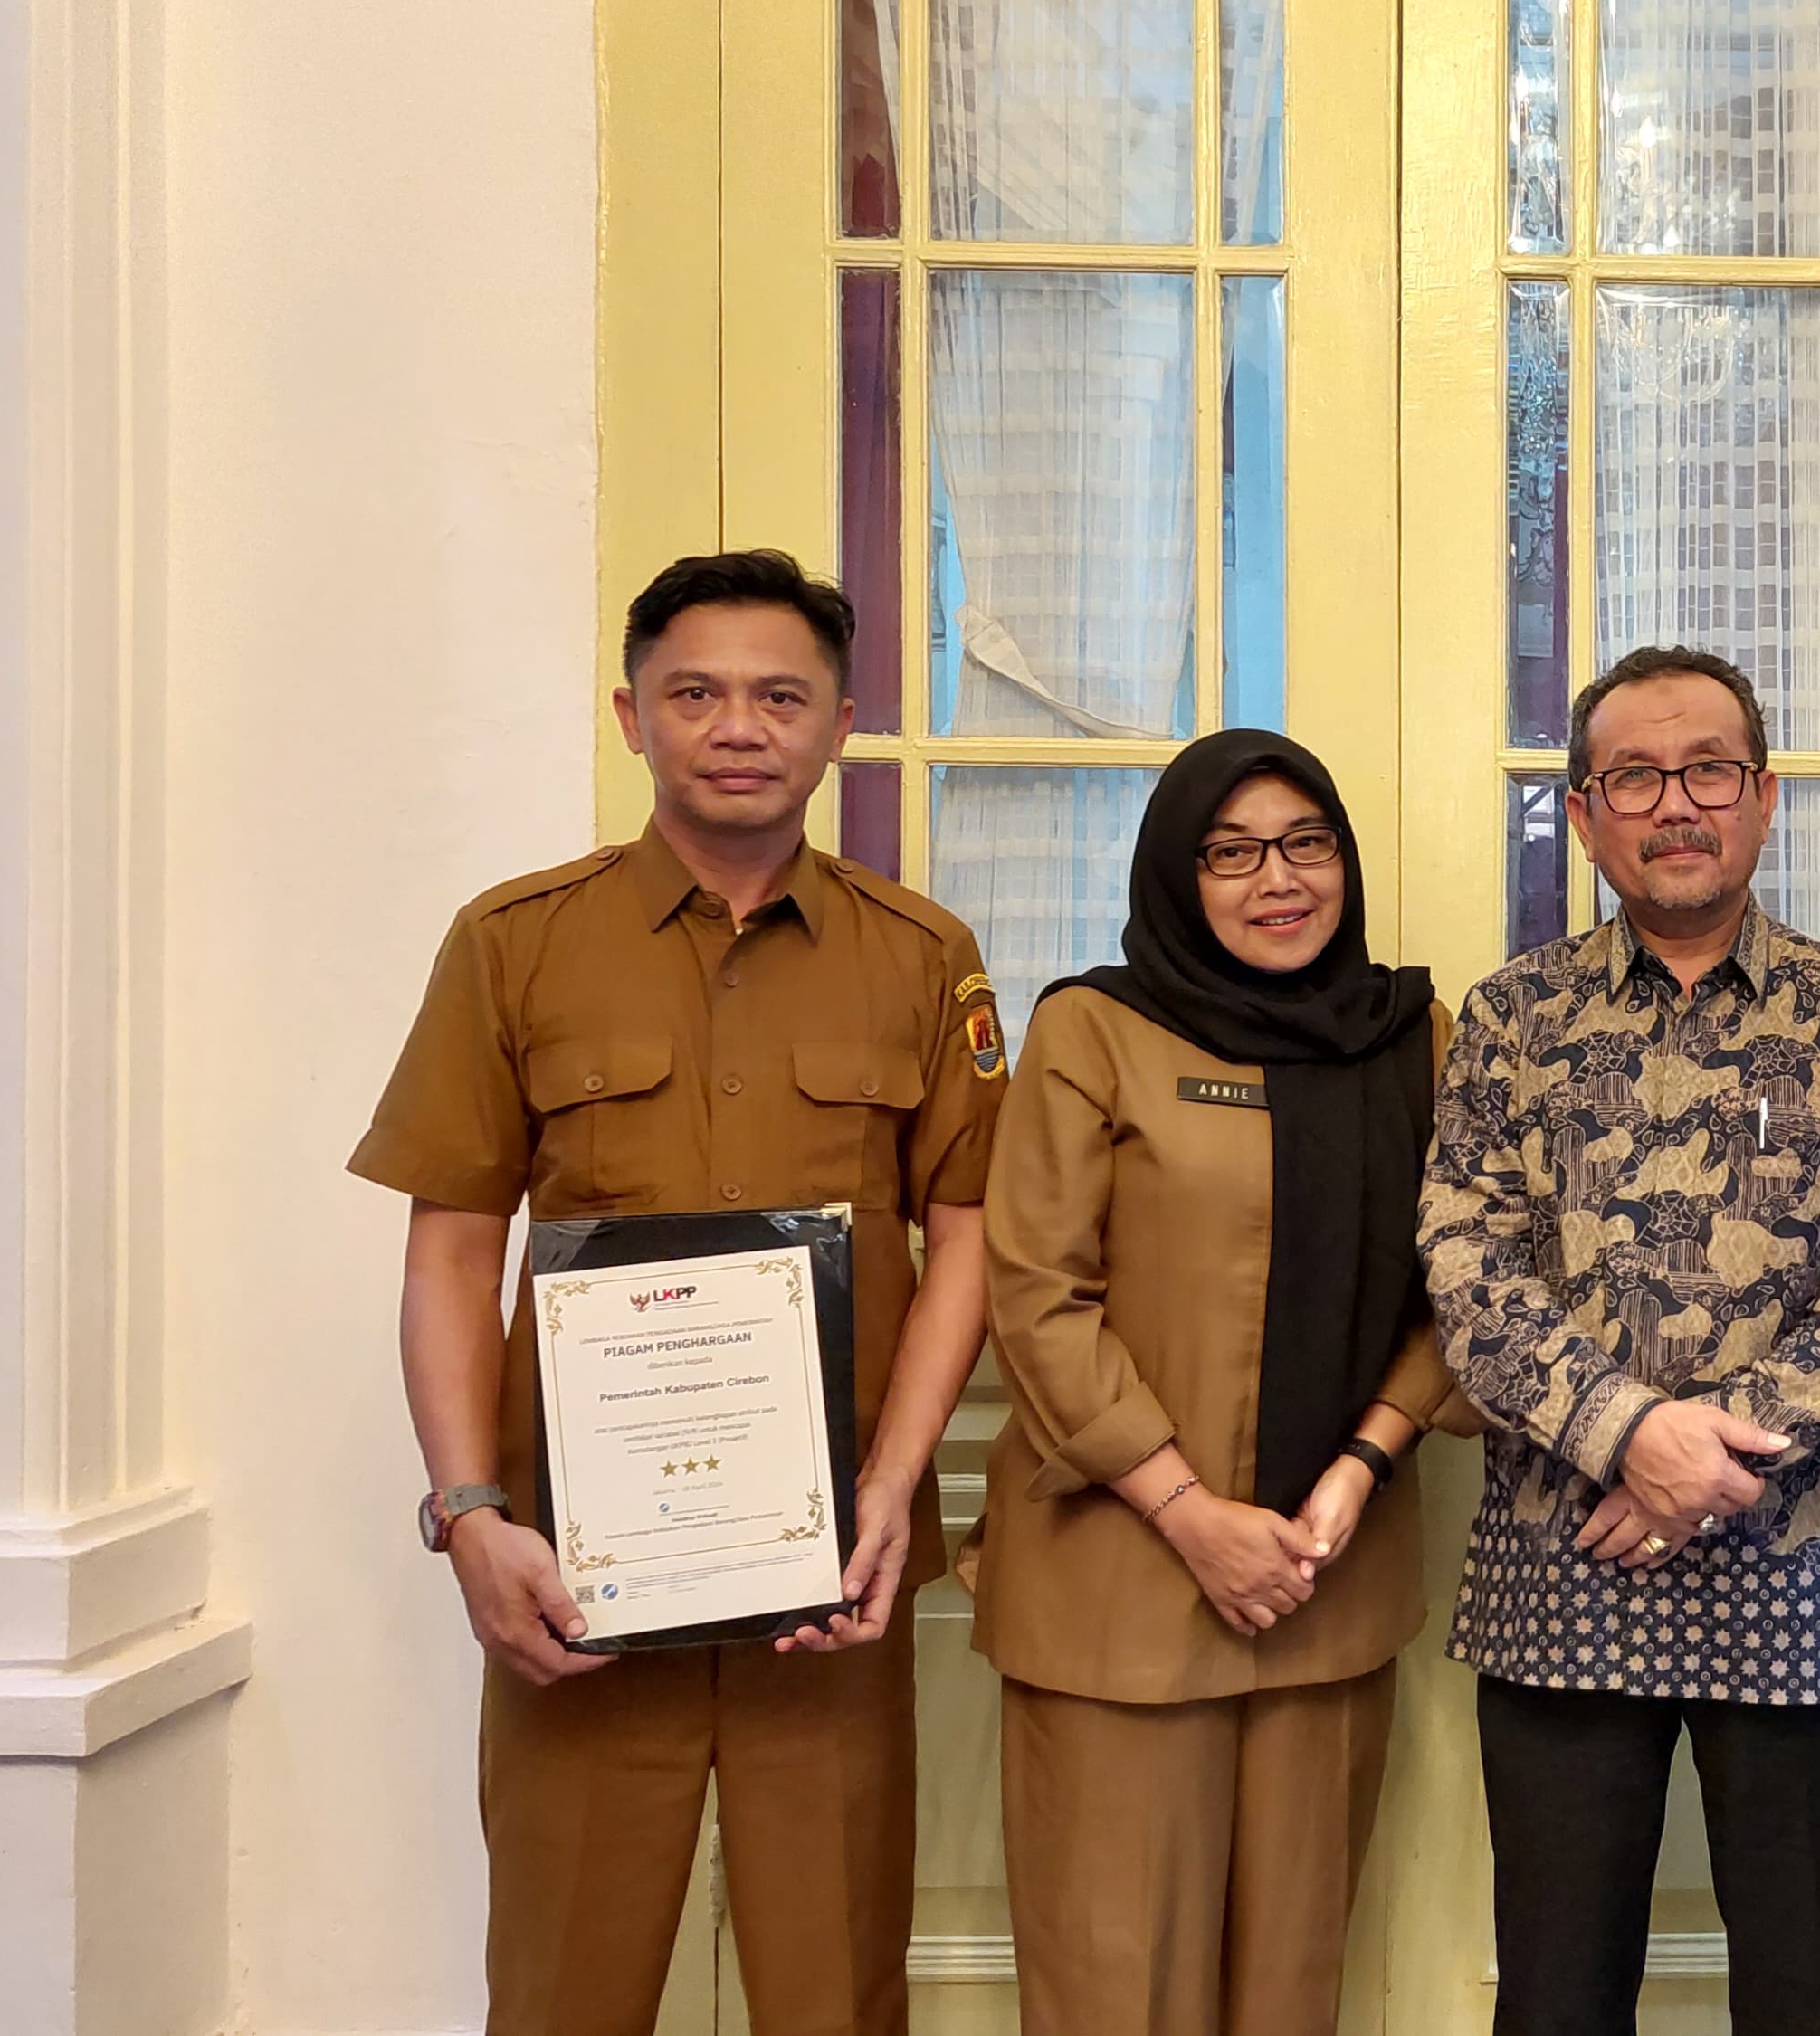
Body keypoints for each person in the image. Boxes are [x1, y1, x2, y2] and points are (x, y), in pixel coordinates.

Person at [351, 550, 1004, 2036]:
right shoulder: (516, 942)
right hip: (576, 1587)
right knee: (565, 1989)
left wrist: (895, 1486)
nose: (738, 724)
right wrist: (468, 1517)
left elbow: (964, 1227)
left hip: (823, 1589)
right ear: (630, 715)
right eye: (694, 691)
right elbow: (452, 1241)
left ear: (844, 721)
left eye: (782, 694)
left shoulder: (924, 958)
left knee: (834, 1993)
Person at [1420, 645, 1820, 2036]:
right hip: (1565, 1557)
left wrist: (1710, 1460)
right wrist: (1625, 1436)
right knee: (1557, 1989)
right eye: (1635, 777)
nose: (1676, 805)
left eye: (1707, 769)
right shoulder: (1509, 1019)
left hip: (1796, 1565)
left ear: (1765, 797)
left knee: (1807, 1992)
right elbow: (1467, 1269)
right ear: (1585, 813)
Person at [970, 730, 1468, 2036]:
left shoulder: (1413, 1033)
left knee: (1289, 1992)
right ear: (1178, 874)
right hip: (1121, 1590)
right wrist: (1192, 1511)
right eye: (1233, 851)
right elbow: (1036, 1292)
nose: (1278, 878)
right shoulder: (1094, 1027)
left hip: (1325, 1576)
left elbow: (1468, 1285)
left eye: (1308, 843)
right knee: (1113, 1989)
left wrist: (1364, 1459)